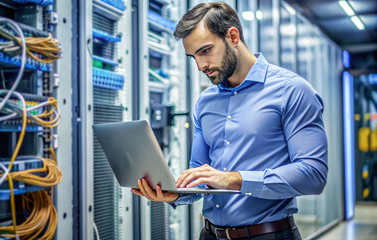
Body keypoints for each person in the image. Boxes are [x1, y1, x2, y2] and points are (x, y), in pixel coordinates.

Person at [132, 2, 328, 240]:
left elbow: (313, 174)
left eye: (205, 51)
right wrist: (175, 194)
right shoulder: (205, 102)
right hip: (209, 235)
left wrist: (234, 178)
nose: (200, 65)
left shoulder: (291, 90)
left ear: (233, 36)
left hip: (268, 235)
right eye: (192, 56)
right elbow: (202, 180)